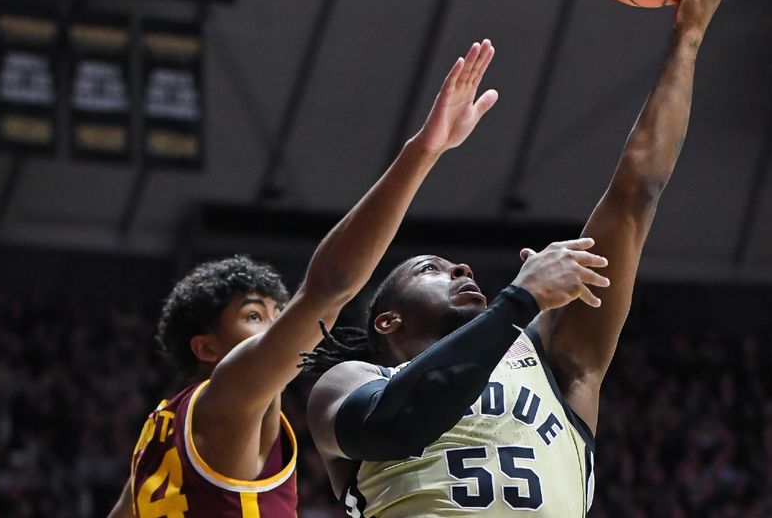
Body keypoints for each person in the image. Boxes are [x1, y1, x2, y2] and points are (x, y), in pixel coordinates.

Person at [304, 0, 734, 517]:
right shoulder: (349, 381)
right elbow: (393, 427)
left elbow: (637, 191)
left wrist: (688, 38)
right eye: (431, 267)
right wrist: (519, 302)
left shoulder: (558, 363)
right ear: (387, 318)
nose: (460, 266)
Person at [107, 39, 604, 518]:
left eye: (276, 314)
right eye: (254, 316)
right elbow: (328, 288)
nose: (276, 328)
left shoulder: (155, 443)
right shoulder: (228, 396)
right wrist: (423, 151)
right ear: (207, 348)